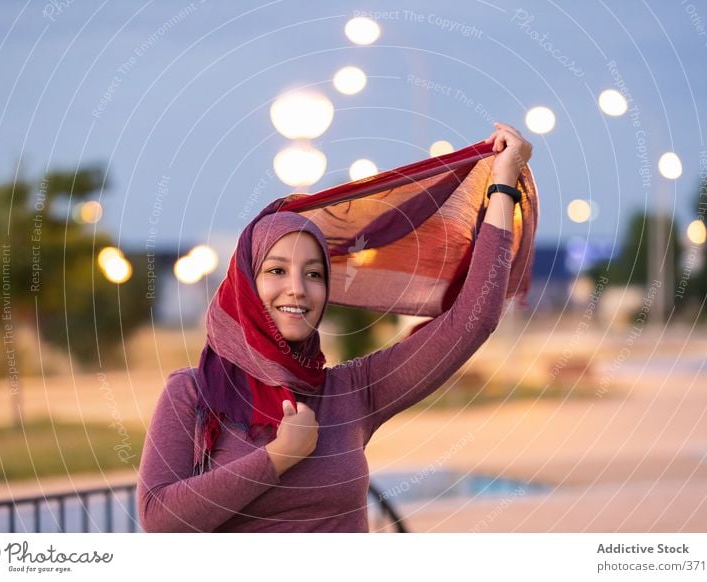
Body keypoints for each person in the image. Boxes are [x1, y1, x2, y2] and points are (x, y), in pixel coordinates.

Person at [137, 122, 534, 532]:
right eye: (276, 270)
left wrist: (503, 183)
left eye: (314, 274)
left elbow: (473, 320)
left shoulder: (352, 393)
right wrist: (278, 456)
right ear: (245, 285)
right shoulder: (192, 394)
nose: (297, 289)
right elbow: (158, 519)